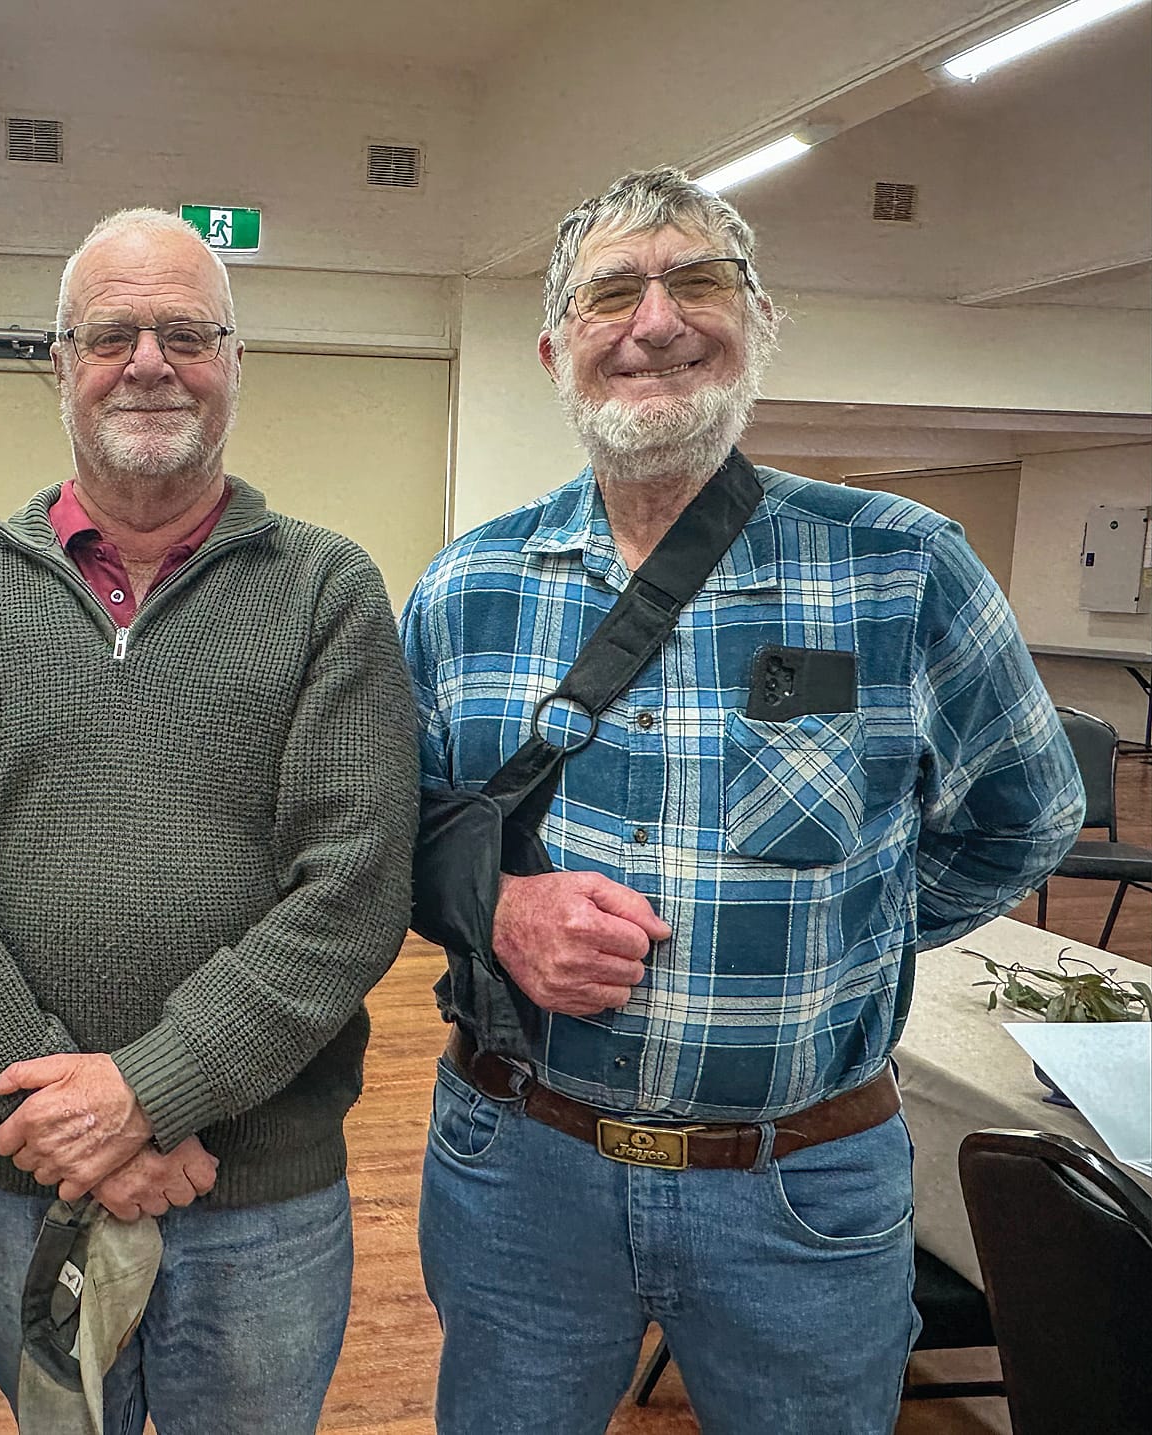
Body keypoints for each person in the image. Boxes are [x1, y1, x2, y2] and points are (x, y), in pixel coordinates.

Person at [401, 168, 1084, 1435]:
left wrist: (845, 936)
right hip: (517, 1172)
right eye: (612, 291)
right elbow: (396, 828)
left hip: (799, 1189)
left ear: (758, 322)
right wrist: (496, 909)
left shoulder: (901, 569)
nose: (654, 320)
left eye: (696, 281)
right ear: (555, 350)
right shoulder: (464, 587)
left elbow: (1022, 820)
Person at [0, 207, 418, 1434]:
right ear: (60, 364)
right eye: (110, 335)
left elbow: (355, 886)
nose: (148, 362)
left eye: (185, 334)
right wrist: (79, 1124)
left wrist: (147, 1092)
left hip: (259, 1196)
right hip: (32, 1179)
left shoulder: (327, 590)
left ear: (232, 364)